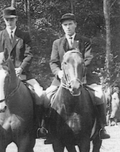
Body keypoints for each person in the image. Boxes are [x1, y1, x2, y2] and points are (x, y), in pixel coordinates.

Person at [0, 7, 46, 141]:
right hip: (1, 75)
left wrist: (20, 68)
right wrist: (4, 68)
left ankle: (39, 126)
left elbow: (29, 54)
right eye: (7, 20)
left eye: (12, 19)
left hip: (22, 74)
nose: (9, 22)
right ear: (4, 20)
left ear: (16, 19)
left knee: (40, 94)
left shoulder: (24, 35)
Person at [44, 13, 110, 142]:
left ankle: (101, 127)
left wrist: (78, 73)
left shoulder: (85, 41)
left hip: (83, 78)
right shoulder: (57, 43)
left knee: (99, 95)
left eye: (70, 24)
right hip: (62, 80)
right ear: (62, 27)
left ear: (75, 25)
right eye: (65, 25)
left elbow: (88, 59)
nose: (68, 27)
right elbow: (53, 61)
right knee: (45, 96)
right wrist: (59, 72)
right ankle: (46, 128)